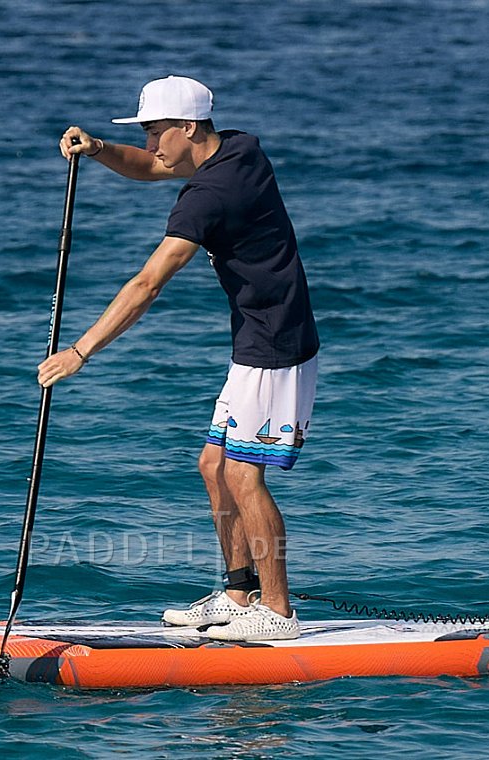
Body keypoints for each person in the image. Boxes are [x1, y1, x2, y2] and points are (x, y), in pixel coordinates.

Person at [40, 75, 318, 641]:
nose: (150, 145)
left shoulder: (212, 195)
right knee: (213, 466)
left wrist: (80, 351)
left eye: (154, 132)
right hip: (257, 338)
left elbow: (147, 284)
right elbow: (154, 168)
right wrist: (97, 150)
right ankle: (239, 594)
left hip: (276, 345)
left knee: (243, 474)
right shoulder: (238, 146)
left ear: (188, 127)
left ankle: (279, 613)